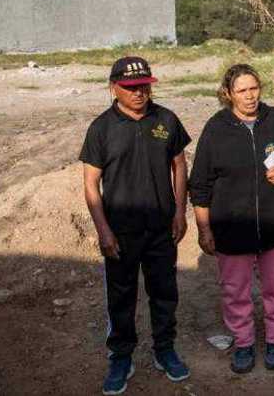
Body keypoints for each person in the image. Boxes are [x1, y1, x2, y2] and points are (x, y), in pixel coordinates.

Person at [79, 56, 191, 395]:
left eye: (144, 86)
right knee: (121, 296)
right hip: (121, 232)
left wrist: (179, 211)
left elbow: (180, 165)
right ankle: (121, 357)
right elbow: (90, 184)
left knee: (164, 292)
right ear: (114, 88)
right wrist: (104, 231)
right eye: (130, 87)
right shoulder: (101, 128)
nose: (139, 93)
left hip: (161, 228)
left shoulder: (166, 120)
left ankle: (164, 349)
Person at [188, 64, 274, 374]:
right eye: (242, 91)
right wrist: (204, 228)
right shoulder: (216, 128)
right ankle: (244, 343)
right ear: (228, 94)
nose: (250, 96)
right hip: (232, 229)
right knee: (236, 291)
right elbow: (200, 185)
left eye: (254, 88)